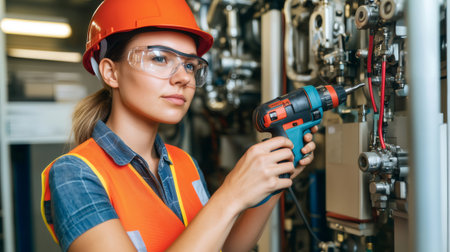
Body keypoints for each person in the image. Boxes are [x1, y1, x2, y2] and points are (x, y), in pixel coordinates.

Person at [40, 0, 317, 251]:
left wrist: (272, 178)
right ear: (111, 72)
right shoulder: (74, 175)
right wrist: (231, 194)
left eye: (190, 66)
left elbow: (227, 247)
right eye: (160, 58)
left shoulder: (181, 163)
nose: (183, 78)